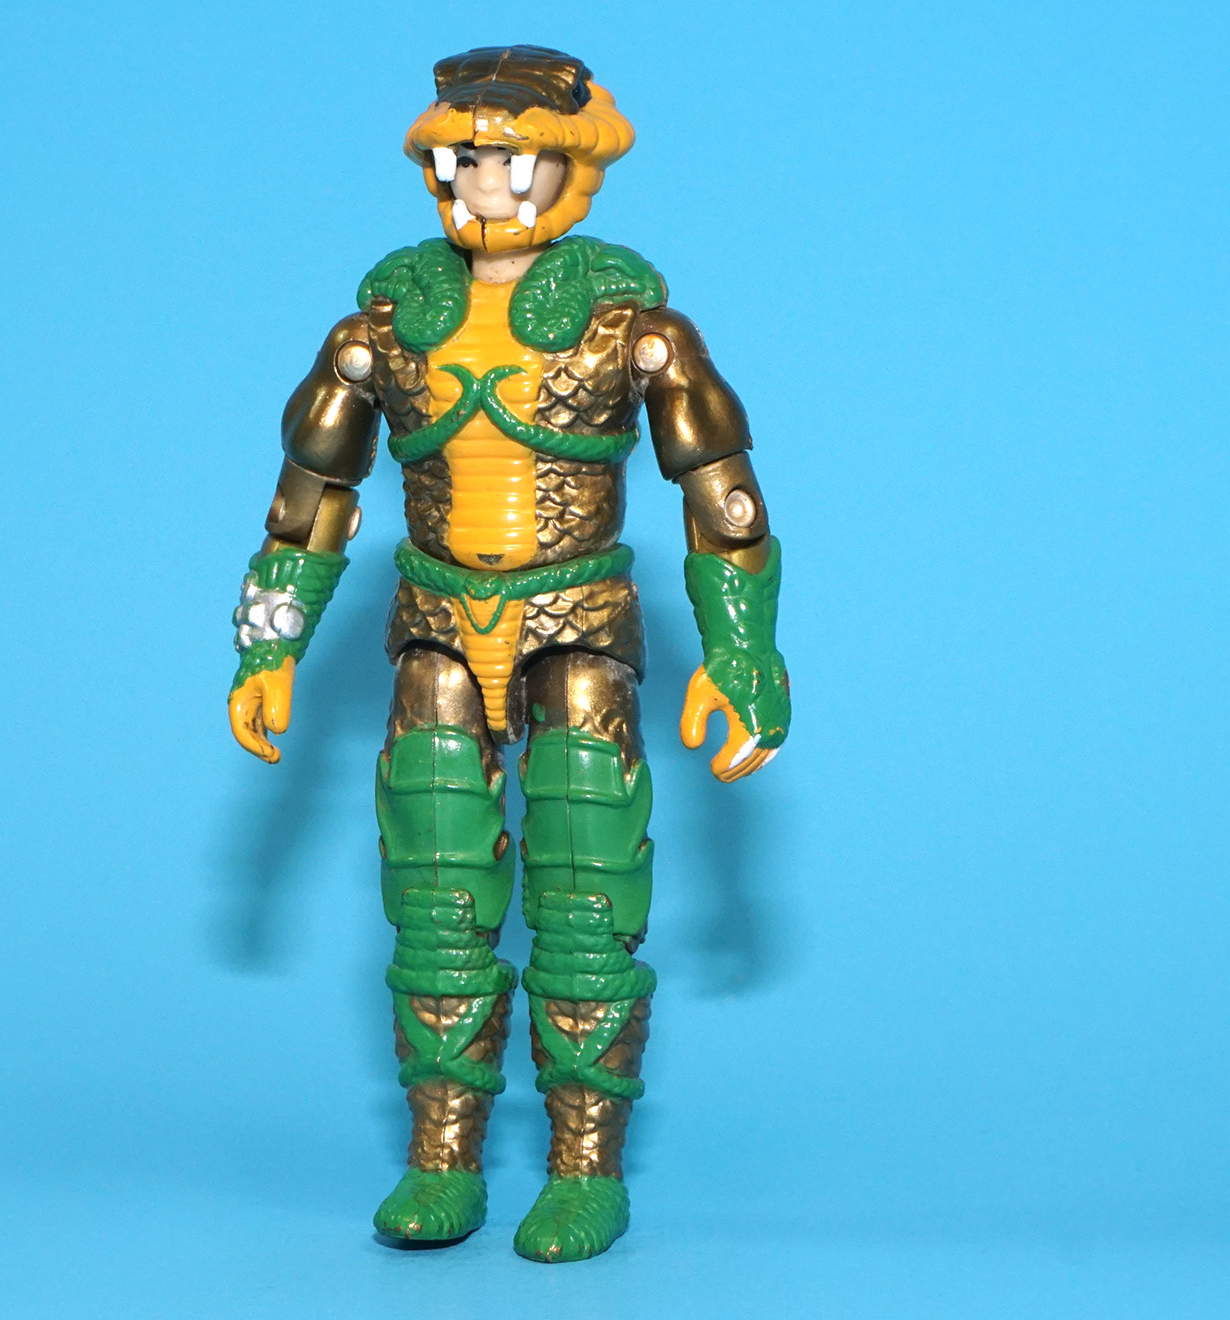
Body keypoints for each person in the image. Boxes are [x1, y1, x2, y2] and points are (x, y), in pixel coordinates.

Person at [227, 45, 790, 1263]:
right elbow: (308, 500)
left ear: (567, 168)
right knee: (434, 903)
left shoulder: (635, 329)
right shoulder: (382, 328)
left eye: (508, 158)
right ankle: (442, 1156)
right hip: (434, 626)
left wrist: (744, 652)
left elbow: (722, 493)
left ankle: (584, 1166)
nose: (484, 182)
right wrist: (268, 645)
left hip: (578, 623)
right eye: (465, 159)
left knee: (586, 898)